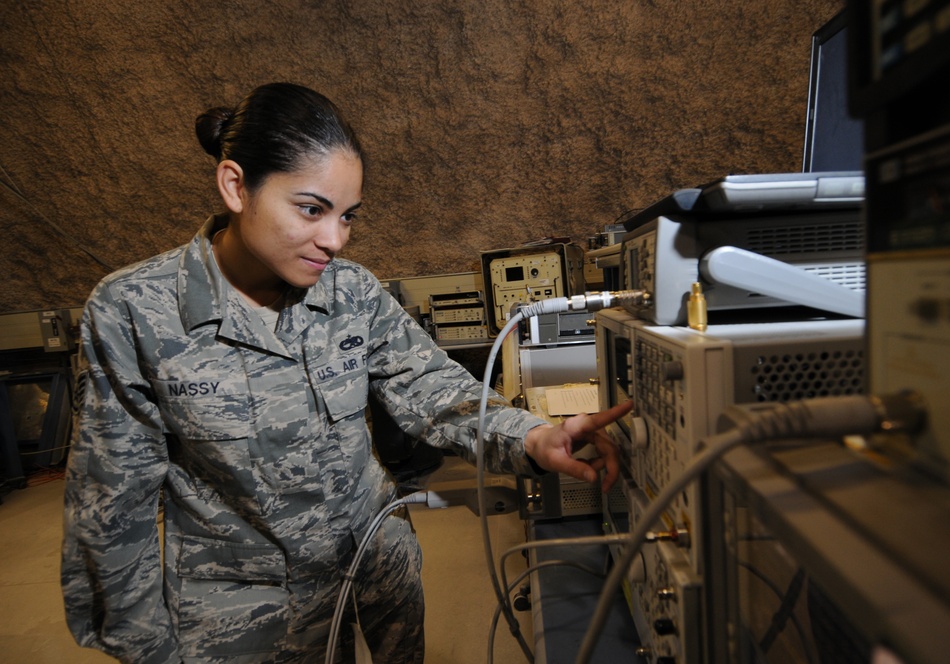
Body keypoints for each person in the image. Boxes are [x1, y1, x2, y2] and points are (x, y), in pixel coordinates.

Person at [61, 82, 631, 664]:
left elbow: (431, 389)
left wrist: (533, 436)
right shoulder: (134, 311)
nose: (334, 240)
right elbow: (112, 504)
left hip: (376, 572)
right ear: (236, 186)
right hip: (247, 617)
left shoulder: (351, 291)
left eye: (348, 216)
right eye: (311, 209)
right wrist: (147, 647)